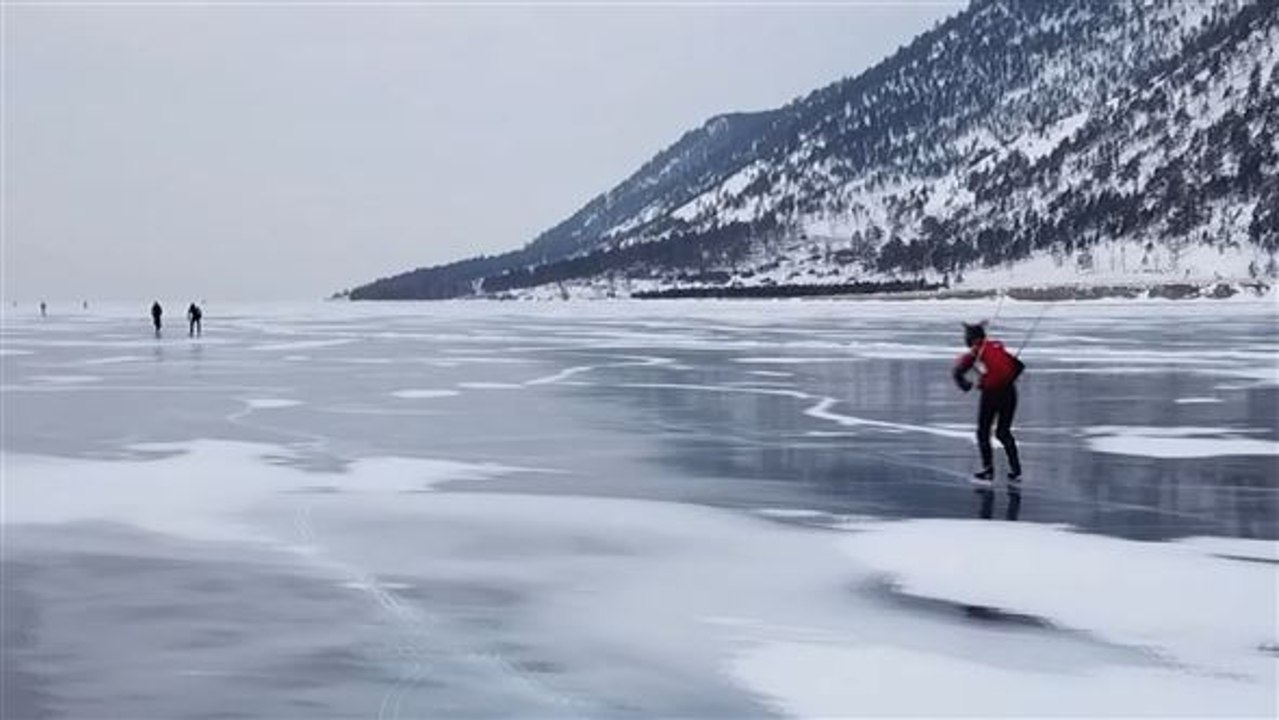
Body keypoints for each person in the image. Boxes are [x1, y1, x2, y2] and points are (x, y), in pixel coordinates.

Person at [952, 321, 1024, 493]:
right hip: (1009, 393)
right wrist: (1007, 379)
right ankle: (1016, 471)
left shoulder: (977, 352)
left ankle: (988, 471)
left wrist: (966, 385)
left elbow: (958, 371)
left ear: (971, 338)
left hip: (992, 395)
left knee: (983, 432)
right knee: (1003, 432)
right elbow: (1019, 366)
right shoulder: (997, 348)